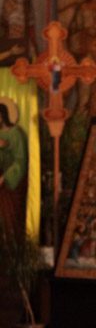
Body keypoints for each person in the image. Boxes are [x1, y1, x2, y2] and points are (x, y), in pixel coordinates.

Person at [0, 98, 28, 238]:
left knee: (9, 219)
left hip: (12, 183)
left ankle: (10, 246)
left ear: (3, 115)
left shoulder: (16, 133)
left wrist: (5, 177)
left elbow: (20, 161)